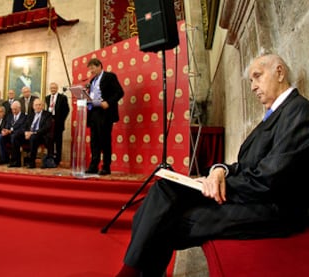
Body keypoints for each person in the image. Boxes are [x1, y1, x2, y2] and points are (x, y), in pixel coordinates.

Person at [115, 53, 309, 277]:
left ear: (280, 72)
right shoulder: (275, 114)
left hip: (273, 209)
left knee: (169, 221)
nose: (254, 87)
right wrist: (220, 170)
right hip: (251, 194)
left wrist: (215, 186)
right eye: (251, 81)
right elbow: (246, 164)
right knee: (163, 189)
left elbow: (270, 179)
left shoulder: (299, 111)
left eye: (257, 77)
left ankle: (130, 272)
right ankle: (132, 271)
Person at [85, 58, 124, 175]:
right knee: (94, 141)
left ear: (99, 66)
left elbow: (119, 92)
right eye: (89, 69)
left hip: (105, 112)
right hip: (93, 112)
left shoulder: (109, 76)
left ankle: (106, 166)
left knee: (105, 140)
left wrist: (108, 102)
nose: (91, 71)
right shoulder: (92, 81)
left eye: (92, 68)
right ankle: (93, 165)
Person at [22, 98, 53, 168]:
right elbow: (25, 125)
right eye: (36, 105)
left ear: (42, 106)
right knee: (16, 136)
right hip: (30, 134)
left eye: (40, 105)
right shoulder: (30, 115)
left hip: (42, 136)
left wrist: (33, 133)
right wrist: (26, 132)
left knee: (33, 138)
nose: (38, 106)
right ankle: (16, 160)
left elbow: (46, 128)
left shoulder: (47, 114)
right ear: (33, 106)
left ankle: (31, 162)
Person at [45, 82, 70, 166]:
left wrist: (61, 120)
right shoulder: (47, 98)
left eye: (54, 88)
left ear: (57, 88)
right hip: (49, 122)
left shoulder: (62, 97)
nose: (53, 89)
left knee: (58, 142)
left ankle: (58, 159)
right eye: (51, 88)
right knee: (50, 141)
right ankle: (50, 158)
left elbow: (67, 110)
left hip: (58, 123)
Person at [0, 100, 27, 167]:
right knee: (0, 137)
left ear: (19, 108)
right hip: (9, 135)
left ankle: (15, 161)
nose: (14, 111)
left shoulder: (24, 117)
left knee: (14, 137)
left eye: (15, 109)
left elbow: (23, 129)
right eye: (12, 109)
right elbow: (7, 126)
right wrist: (4, 130)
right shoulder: (9, 116)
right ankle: (4, 158)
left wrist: (11, 131)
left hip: (19, 136)